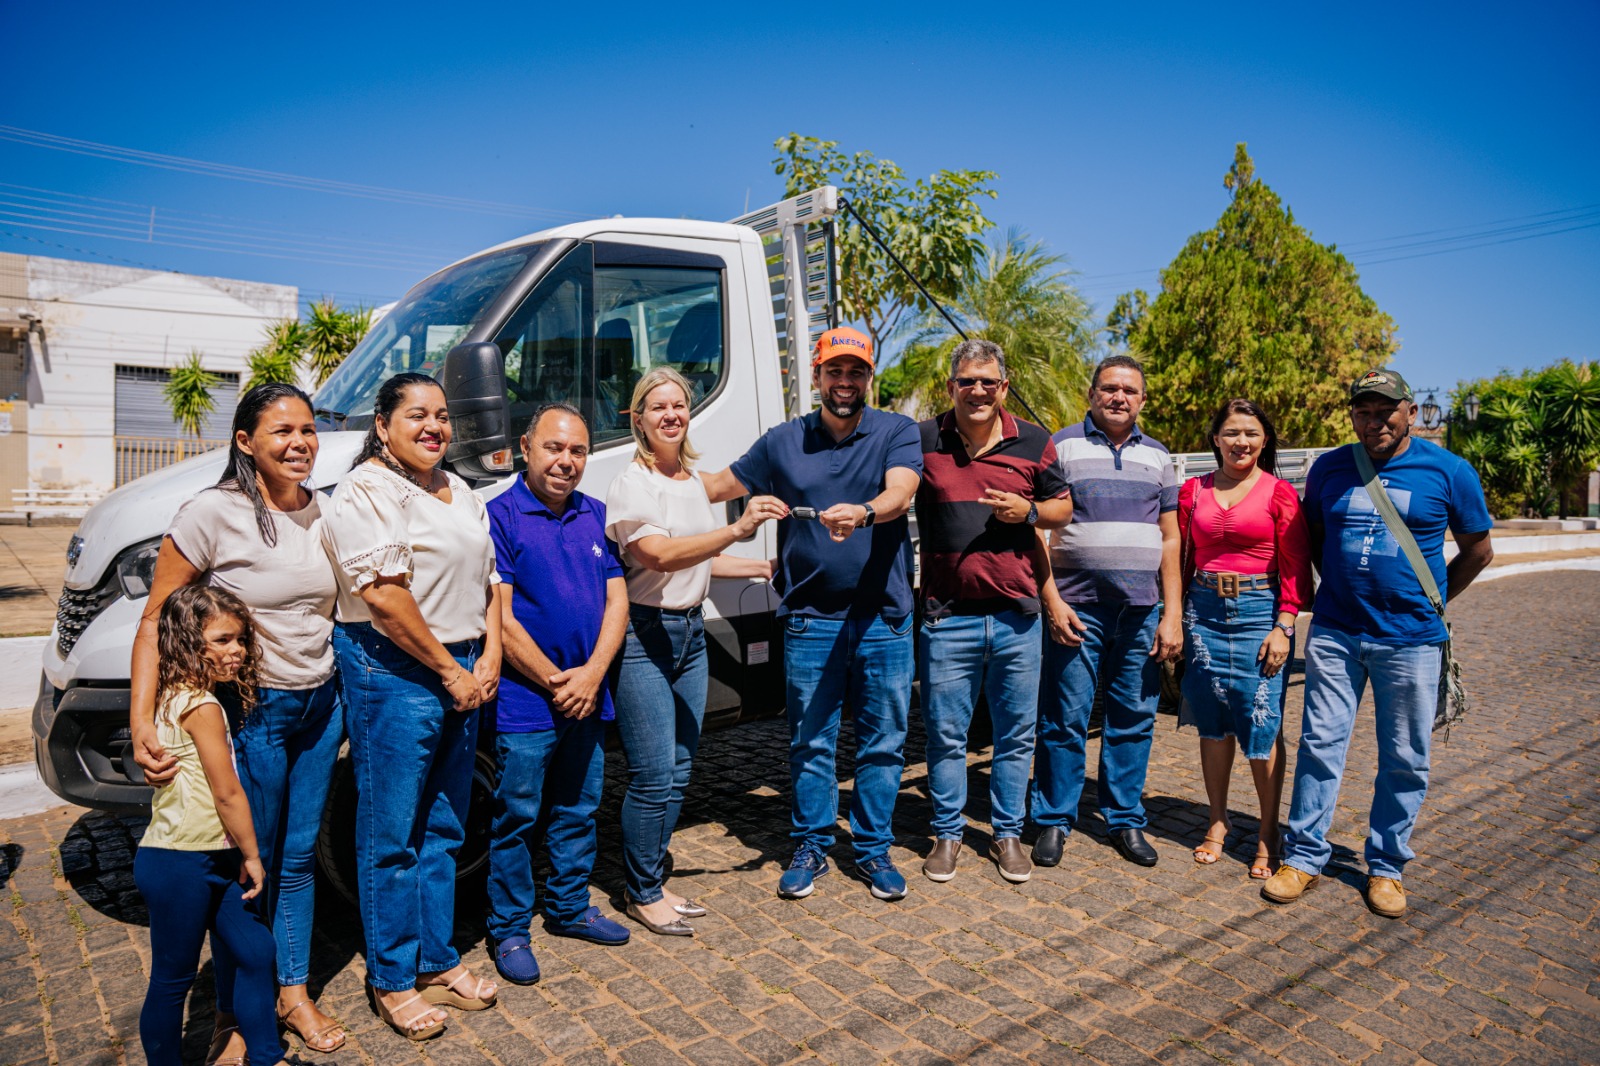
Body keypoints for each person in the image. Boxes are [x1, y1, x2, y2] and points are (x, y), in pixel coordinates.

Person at [129, 383, 345, 1058]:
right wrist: (141, 719)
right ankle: (232, 1014)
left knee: (301, 856)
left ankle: (292, 992)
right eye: (281, 430)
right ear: (245, 441)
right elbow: (153, 618)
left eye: (308, 429)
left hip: (322, 704)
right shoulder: (210, 513)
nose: (299, 442)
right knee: (250, 861)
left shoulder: (325, 511)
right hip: (255, 710)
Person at [702, 326, 922, 901]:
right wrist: (644, 476)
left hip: (885, 617)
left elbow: (902, 491)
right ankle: (811, 845)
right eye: (834, 371)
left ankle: (873, 851)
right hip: (810, 620)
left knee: (882, 741)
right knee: (810, 741)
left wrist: (868, 512)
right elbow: (712, 486)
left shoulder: (896, 432)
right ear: (817, 376)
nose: (844, 382)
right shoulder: (782, 441)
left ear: (868, 377)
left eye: (855, 372)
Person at [1263, 368, 1493, 918]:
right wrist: (1341, 590)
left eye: (1385, 410)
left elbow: (1478, 550)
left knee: (1405, 758)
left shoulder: (1449, 471)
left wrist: (1432, 601)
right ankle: (1304, 856)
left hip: (1411, 641)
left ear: (1409, 411)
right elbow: (1314, 539)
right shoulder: (1331, 469)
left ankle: (1387, 867)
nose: (1374, 422)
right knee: (1320, 746)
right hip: (1338, 634)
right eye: (1363, 412)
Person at [321, 373, 502, 1040]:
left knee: (445, 830)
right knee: (390, 836)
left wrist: (489, 658)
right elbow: (386, 599)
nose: (434, 427)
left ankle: (434, 961)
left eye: (443, 417)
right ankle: (392, 980)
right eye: (417, 416)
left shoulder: (461, 491)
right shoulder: (368, 490)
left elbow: (492, 582)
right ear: (383, 423)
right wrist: (451, 671)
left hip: (462, 665)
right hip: (395, 672)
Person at [606, 368, 781, 934]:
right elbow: (658, 555)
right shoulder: (633, 483)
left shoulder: (687, 480)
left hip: (690, 631)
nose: (670, 415)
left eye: (679, 405)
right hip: (644, 636)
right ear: (638, 419)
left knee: (681, 768)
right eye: (657, 407)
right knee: (654, 772)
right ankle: (642, 891)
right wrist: (736, 532)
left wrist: (759, 565)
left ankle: (651, 875)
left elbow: (697, 558)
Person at [912, 340, 1072, 885]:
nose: (976, 390)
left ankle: (1007, 835)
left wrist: (1028, 510)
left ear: (1003, 387)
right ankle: (948, 835)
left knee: (1015, 734)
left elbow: (1063, 507)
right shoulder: (923, 439)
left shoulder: (1034, 440)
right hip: (946, 616)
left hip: (1016, 618)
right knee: (945, 735)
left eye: (987, 381)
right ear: (951, 386)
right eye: (966, 381)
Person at [483, 402, 632, 984]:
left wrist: (592, 674)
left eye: (577, 451)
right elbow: (502, 615)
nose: (566, 461)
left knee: (578, 806)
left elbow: (617, 601)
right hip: (527, 699)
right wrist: (555, 680)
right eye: (554, 448)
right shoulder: (500, 516)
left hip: (588, 694)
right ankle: (510, 929)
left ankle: (570, 908)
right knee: (517, 816)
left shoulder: (596, 515)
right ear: (526, 447)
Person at [1031, 354, 1183, 869]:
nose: (1119, 397)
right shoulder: (1061, 445)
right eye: (1110, 388)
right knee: (1063, 718)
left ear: (1142, 399)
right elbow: (1038, 525)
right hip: (1077, 608)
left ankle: (1124, 819)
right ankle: (1054, 819)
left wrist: (1172, 613)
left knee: (1134, 719)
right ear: (1092, 393)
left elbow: (1170, 538)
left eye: (1130, 391)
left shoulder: (1159, 457)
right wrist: (1051, 600)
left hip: (1141, 610)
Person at [136, 585, 288, 1066]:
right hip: (180, 861)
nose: (237, 650)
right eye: (222, 639)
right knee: (172, 979)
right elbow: (227, 792)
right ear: (186, 642)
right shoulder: (200, 706)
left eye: (241, 639)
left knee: (256, 950)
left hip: (213, 857)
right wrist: (252, 854)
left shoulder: (171, 696)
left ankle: (265, 1054)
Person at [1177, 398, 1312, 880]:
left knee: (1261, 721)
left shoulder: (1279, 494)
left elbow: (1295, 567)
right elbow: (1179, 555)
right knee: (1213, 722)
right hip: (1203, 613)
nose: (1242, 442)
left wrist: (1286, 624)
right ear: (1215, 439)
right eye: (1232, 433)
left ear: (1265, 440)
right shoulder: (1192, 491)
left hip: (1260, 615)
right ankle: (1217, 820)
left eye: (1251, 434)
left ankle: (1267, 832)